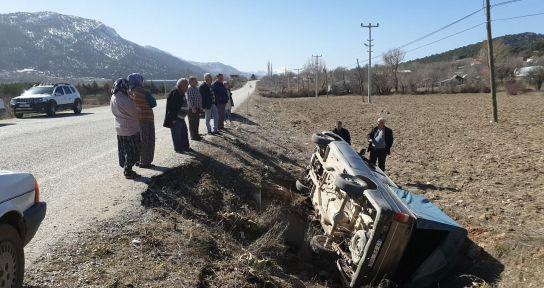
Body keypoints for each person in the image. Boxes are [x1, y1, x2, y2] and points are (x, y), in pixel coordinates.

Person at [110, 78, 140, 179]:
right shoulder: (124, 99)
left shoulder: (113, 97)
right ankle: (128, 171)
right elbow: (135, 113)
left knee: (124, 149)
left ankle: (127, 168)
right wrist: (133, 99)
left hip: (119, 127)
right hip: (129, 128)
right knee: (132, 150)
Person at [128, 73, 156, 168]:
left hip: (135, 119)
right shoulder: (143, 91)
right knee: (148, 140)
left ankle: (138, 159)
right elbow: (153, 103)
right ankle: (145, 162)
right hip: (146, 118)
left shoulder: (129, 92)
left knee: (138, 140)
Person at [164, 78, 191, 153]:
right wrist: (173, 119)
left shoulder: (181, 92)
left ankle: (185, 147)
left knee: (184, 132)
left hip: (180, 118)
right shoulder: (175, 92)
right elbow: (171, 108)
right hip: (175, 118)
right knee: (176, 134)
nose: (187, 87)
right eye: (186, 85)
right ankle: (178, 148)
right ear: (181, 85)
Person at [187, 76, 203, 141]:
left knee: (196, 122)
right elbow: (189, 99)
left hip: (197, 108)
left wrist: (200, 107)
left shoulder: (196, 88)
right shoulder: (189, 89)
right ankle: (193, 136)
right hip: (192, 109)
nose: (196, 82)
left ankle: (196, 135)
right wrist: (193, 107)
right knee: (192, 123)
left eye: (196, 81)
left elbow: (199, 98)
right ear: (190, 82)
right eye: (194, 81)